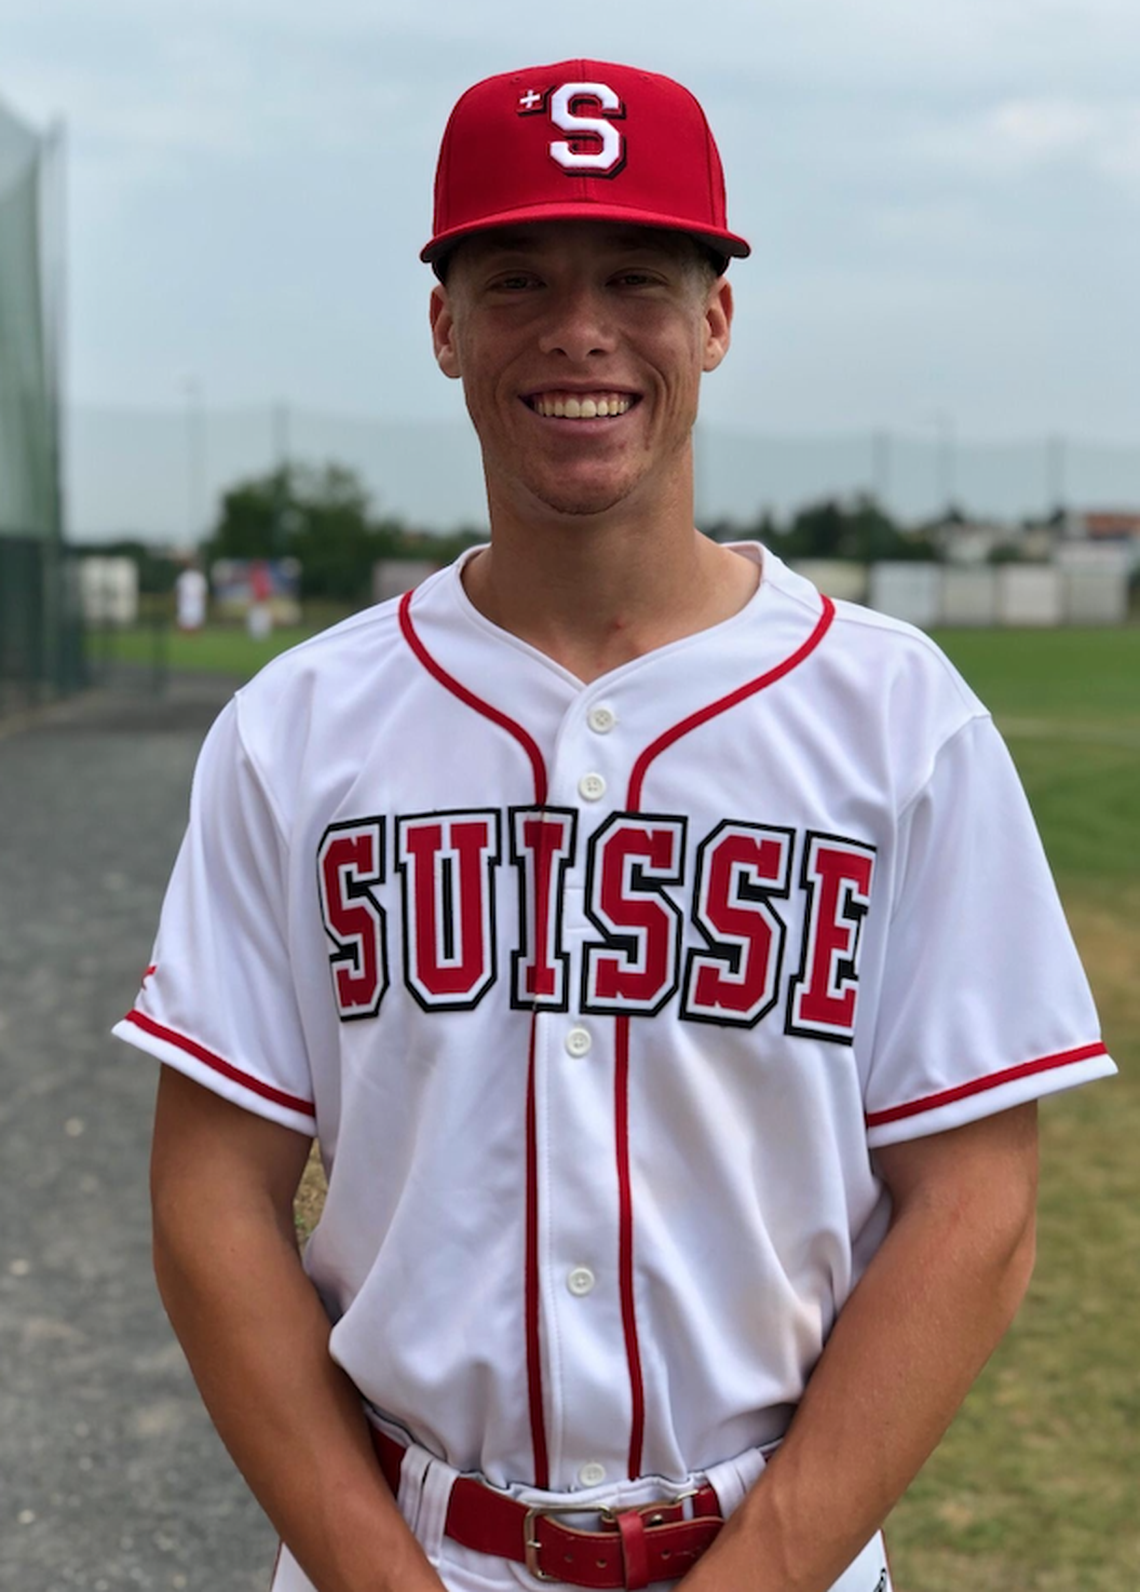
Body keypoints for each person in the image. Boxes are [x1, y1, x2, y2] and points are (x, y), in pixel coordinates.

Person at [115, 60, 1116, 1592]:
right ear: (445, 325)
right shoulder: (299, 727)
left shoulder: (900, 720)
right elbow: (210, 1193)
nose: (578, 330)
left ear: (714, 319)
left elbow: (977, 1201)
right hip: (404, 1543)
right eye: (514, 277)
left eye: (637, 277)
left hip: (777, 1546)